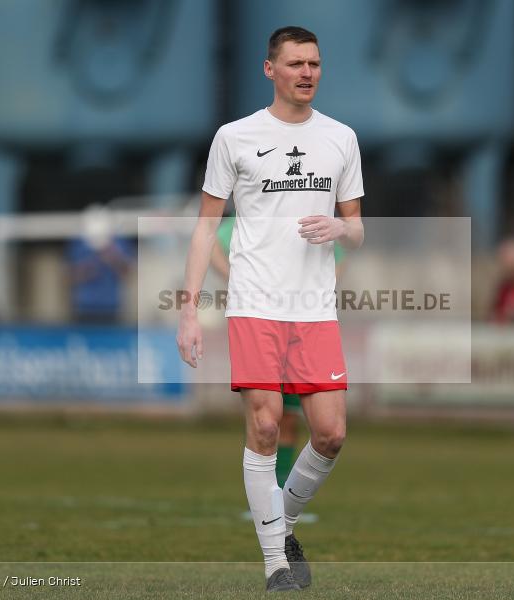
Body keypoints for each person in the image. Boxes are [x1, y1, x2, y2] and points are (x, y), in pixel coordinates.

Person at [176, 26, 364, 592]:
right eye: (296, 63)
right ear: (270, 69)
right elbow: (205, 226)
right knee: (263, 424)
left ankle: (280, 524)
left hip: (314, 309)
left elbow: (356, 229)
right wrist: (189, 310)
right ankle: (275, 566)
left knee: (330, 434)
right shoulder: (234, 137)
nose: (307, 73)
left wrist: (340, 227)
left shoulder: (341, 138)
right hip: (255, 302)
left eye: (315, 63)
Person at [211, 214, 347, 497]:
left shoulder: (307, 215)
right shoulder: (251, 215)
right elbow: (211, 242)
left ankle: (281, 494)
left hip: (301, 329)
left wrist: (314, 289)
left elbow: (339, 255)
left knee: (291, 418)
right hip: (260, 324)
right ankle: (266, 501)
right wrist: (236, 277)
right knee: (264, 420)